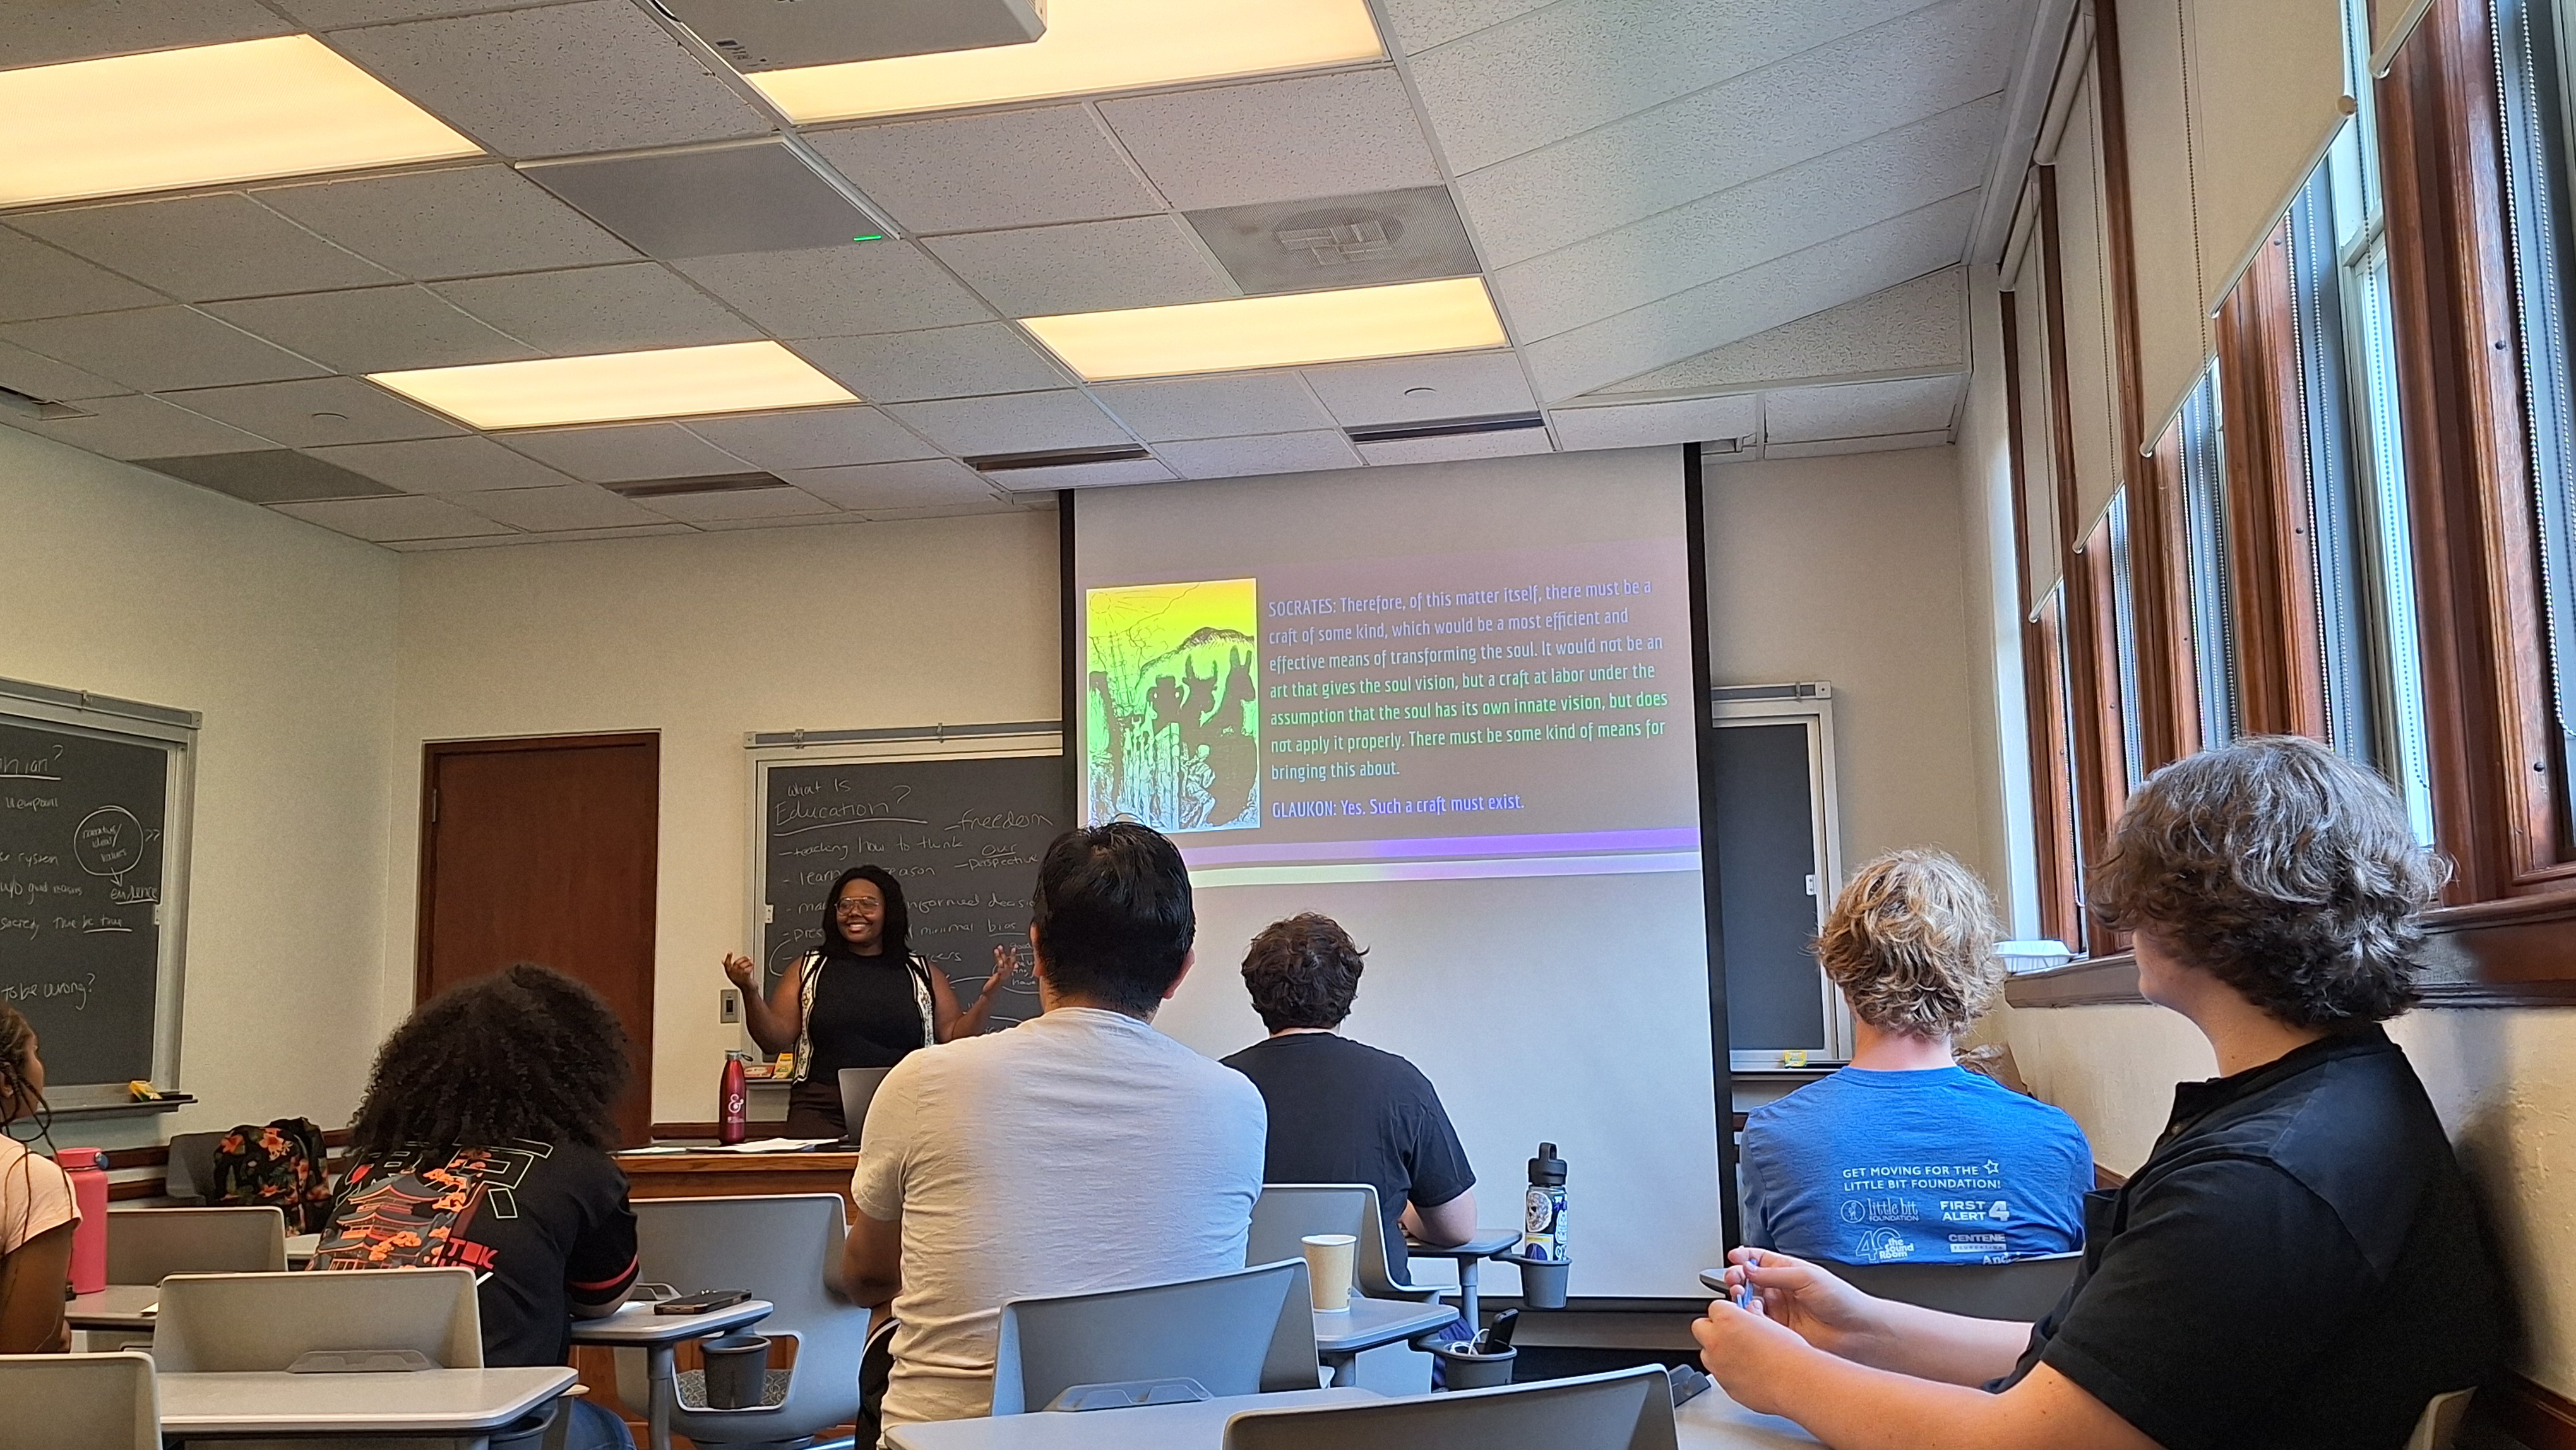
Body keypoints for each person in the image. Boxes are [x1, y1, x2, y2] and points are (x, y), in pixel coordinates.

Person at [1695, 736, 2506, 1450]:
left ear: (2201, 913)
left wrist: (1785, 1379)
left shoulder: (2261, 1182)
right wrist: (1863, 1324)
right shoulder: (2328, 1107)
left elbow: (2029, 1440)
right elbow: (2109, 1359)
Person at [841, 822, 1267, 1436]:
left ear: (1037, 949)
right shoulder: (1237, 1105)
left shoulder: (921, 1082)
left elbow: (867, 1276)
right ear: (1179, 972)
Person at [311, 963, 643, 1450]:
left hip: (330, 1427)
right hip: (487, 1430)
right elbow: (604, 1298)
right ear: (580, 1073)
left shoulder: (370, 1168)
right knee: (608, 1432)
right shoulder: (580, 1170)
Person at [1736, 849, 2090, 1265]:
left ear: (1843, 975)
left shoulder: (1773, 1137)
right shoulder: (2056, 1139)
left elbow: (1765, 1293)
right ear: (1973, 977)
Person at [1220, 913, 1476, 1282]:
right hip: (1378, 1329)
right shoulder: (1401, 1085)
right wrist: (1402, 1210)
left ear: (1258, 994)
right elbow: (1458, 1228)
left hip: (1253, 1327)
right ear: (1347, 993)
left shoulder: (1218, 1087)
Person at [723, 865, 1013, 1139]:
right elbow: (773, 1040)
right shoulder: (808, 968)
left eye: (868, 904)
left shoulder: (921, 973)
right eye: (845, 904)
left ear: (889, 912)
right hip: (820, 1112)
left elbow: (953, 1036)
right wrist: (749, 991)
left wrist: (989, 996)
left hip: (907, 1109)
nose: (854, 912)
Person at [0, 1003, 73, 1354]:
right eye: (35, 1053)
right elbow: (26, 1358)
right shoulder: (30, 1180)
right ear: (6, 1081)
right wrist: (55, 1328)